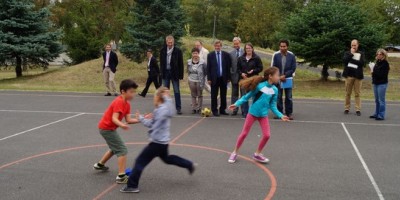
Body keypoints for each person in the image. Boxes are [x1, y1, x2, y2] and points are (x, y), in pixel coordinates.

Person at [120, 87, 196, 193]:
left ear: (158, 97)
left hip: (157, 143)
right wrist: (141, 118)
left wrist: (166, 96)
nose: (153, 99)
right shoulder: (159, 109)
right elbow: (151, 123)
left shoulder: (163, 109)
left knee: (140, 161)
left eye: (155, 96)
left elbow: (167, 115)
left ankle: (132, 185)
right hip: (162, 143)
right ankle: (189, 164)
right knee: (167, 159)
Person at [228, 67, 289, 164]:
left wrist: (281, 115)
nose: (279, 77)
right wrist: (236, 104)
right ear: (270, 76)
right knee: (244, 134)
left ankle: (257, 154)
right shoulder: (259, 86)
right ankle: (234, 152)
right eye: (277, 75)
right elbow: (246, 97)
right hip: (252, 113)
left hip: (263, 115)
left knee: (267, 135)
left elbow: (273, 106)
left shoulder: (275, 90)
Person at [94, 79, 140, 184]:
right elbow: (114, 118)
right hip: (106, 128)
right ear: (123, 91)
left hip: (109, 128)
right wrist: (122, 125)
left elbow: (128, 120)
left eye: (134, 92)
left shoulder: (127, 104)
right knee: (122, 150)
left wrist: (141, 119)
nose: (134, 94)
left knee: (114, 148)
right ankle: (121, 176)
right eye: (131, 92)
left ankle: (100, 164)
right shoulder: (119, 101)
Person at [271, 39, 296, 120]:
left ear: (287, 46)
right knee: (278, 96)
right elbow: (274, 67)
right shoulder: (276, 55)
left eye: (284, 46)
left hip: (288, 79)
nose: (282, 48)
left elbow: (293, 68)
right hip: (278, 79)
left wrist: (285, 75)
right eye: (281, 46)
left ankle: (289, 113)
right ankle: (279, 113)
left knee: (289, 97)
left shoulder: (291, 56)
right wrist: (279, 76)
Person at [237, 43, 263, 118]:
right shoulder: (240, 58)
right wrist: (241, 74)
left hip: (253, 80)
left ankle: (254, 112)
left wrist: (253, 71)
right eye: (247, 48)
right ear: (245, 49)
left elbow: (260, 68)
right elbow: (238, 69)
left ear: (252, 49)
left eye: (249, 48)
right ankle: (245, 113)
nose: (248, 50)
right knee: (244, 96)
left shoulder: (256, 58)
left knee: (255, 96)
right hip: (244, 80)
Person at [160, 35, 184, 115]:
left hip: (174, 73)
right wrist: (161, 73)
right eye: (168, 42)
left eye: (171, 42)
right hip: (165, 72)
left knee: (176, 91)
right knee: (165, 91)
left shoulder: (178, 51)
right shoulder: (162, 50)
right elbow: (161, 63)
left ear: (173, 42)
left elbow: (181, 63)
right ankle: (165, 108)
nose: (170, 44)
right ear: (166, 42)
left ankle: (178, 108)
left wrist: (181, 75)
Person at [207, 40, 232, 117]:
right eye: (216, 46)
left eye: (219, 46)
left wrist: (228, 77)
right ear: (214, 46)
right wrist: (209, 78)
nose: (218, 47)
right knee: (214, 95)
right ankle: (214, 110)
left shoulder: (226, 55)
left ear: (221, 46)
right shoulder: (210, 55)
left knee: (223, 95)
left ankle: (222, 109)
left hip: (223, 78)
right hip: (214, 78)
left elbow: (228, 67)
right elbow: (208, 68)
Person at [343, 39, 365, 116]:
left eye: (355, 45)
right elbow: (345, 61)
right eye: (352, 45)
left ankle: (358, 109)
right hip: (349, 75)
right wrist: (351, 54)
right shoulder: (347, 53)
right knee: (347, 93)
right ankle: (346, 108)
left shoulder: (361, 53)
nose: (353, 46)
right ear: (350, 45)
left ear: (358, 45)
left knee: (357, 93)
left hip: (358, 76)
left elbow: (361, 63)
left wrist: (352, 60)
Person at [370, 49, 390, 120]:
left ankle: (381, 115)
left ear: (383, 55)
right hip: (375, 83)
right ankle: (376, 113)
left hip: (382, 83)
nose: (378, 55)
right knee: (377, 100)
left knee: (381, 100)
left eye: (380, 54)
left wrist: (373, 71)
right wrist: (373, 70)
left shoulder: (385, 64)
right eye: (377, 54)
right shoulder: (377, 62)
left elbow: (381, 75)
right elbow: (374, 75)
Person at [188, 48, 206, 114]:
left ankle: (199, 108)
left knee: (199, 95)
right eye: (193, 53)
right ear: (192, 54)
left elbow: (205, 71)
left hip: (199, 81)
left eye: (196, 53)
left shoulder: (203, 62)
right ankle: (194, 108)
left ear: (198, 54)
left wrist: (202, 78)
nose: (195, 55)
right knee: (193, 95)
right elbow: (188, 71)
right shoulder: (189, 62)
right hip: (191, 80)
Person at [229, 37, 244, 116]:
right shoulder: (230, 53)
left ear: (240, 43)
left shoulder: (245, 52)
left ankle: (244, 110)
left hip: (243, 77)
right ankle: (234, 109)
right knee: (234, 94)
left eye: (237, 44)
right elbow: (229, 66)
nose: (236, 45)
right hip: (234, 76)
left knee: (243, 94)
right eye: (234, 44)